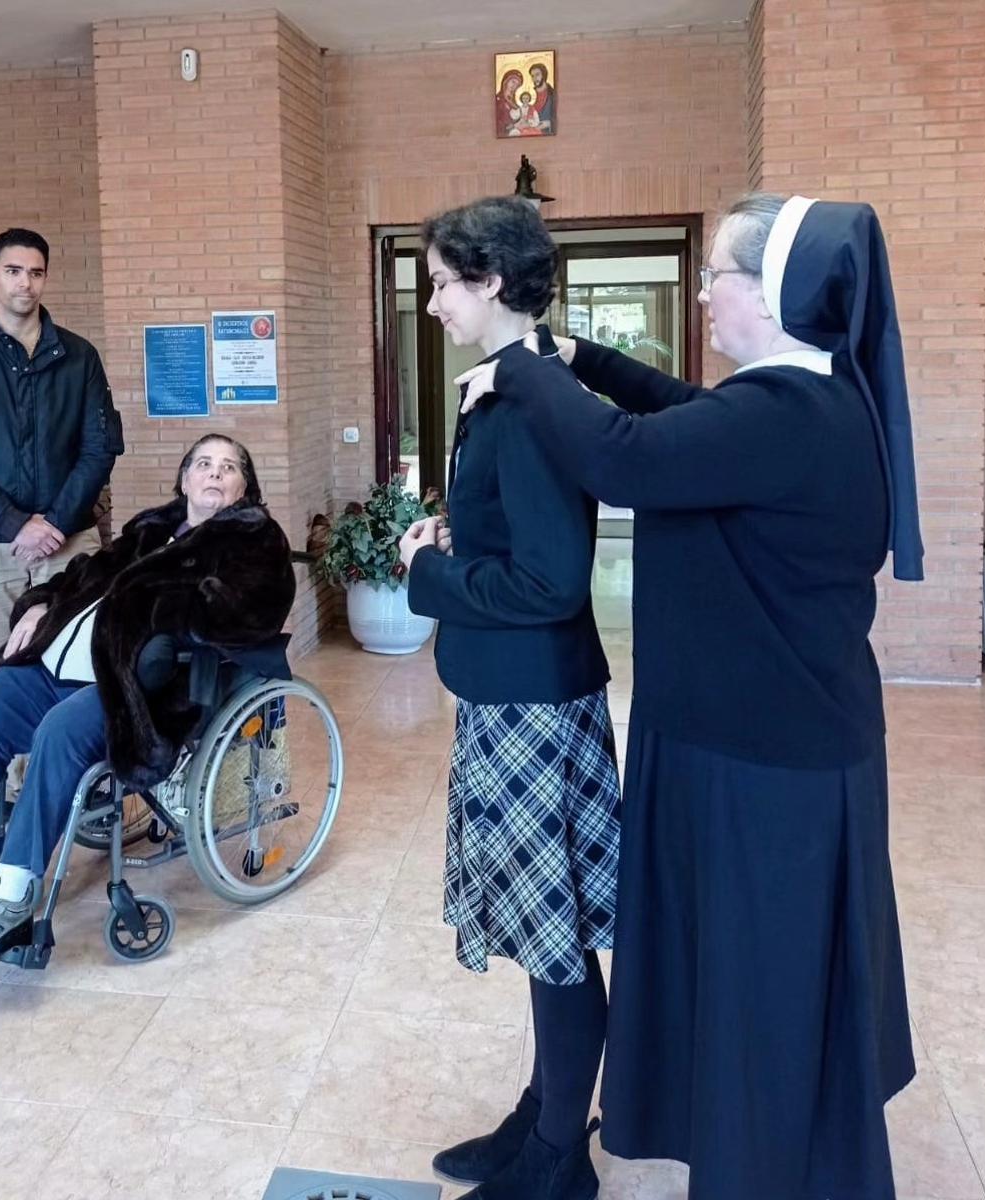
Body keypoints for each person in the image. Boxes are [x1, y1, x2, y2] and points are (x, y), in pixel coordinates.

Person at [458, 193, 921, 1200]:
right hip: (768, 742)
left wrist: (524, 367)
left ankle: (761, 1171)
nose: (705, 294)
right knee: (749, 984)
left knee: (759, 991)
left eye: (717, 276)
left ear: (775, 294)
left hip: (762, 766)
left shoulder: (782, 416)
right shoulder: (803, 399)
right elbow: (679, 410)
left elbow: (620, 455)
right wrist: (580, 356)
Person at [0, 435, 295, 972]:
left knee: (60, 731)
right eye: (203, 463)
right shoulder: (151, 530)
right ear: (184, 479)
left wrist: (166, 610)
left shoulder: (256, 541)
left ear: (244, 487)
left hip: (140, 689)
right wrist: (41, 602)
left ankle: (13, 890)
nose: (214, 474)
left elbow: (257, 611)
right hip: (63, 666)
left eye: (228, 468)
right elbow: (85, 573)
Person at [398, 196, 620, 1200]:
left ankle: (559, 1157)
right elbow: (522, 546)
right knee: (543, 937)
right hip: (512, 697)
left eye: (443, 284)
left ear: (491, 282)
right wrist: (459, 543)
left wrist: (428, 574)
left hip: (536, 708)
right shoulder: (504, 389)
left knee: (554, 940)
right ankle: (542, 1116)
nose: (433, 304)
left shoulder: (530, 402)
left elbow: (552, 583)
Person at [0, 227, 124, 678]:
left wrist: (54, 524)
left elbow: (99, 449)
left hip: (68, 543)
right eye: (13, 271)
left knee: (78, 670)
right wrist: (15, 524)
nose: (25, 283)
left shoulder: (80, 356)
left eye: (36, 272)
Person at [495, 70, 524, 137]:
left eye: (517, 85)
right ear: (506, 81)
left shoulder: (515, 105)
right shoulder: (498, 100)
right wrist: (508, 126)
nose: (514, 86)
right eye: (513, 82)